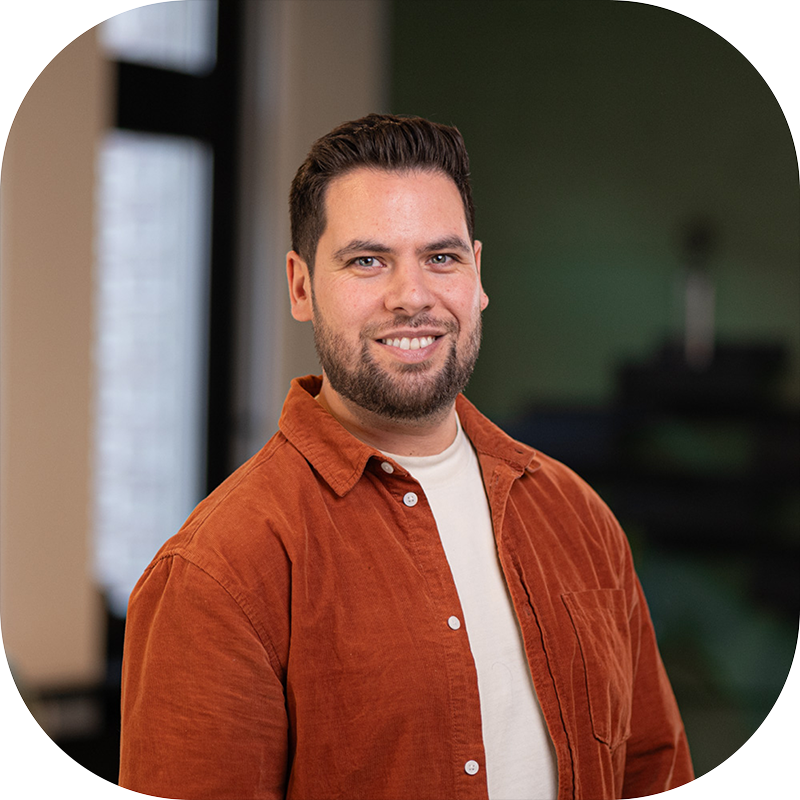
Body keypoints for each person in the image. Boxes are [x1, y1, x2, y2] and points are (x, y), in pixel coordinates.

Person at [119, 114, 693, 800]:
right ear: (301, 287)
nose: (413, 296)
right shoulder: (220, 571)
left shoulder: (576, 516)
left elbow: (654, 769)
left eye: (441, 258)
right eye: (368, 261)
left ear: (477, 275)